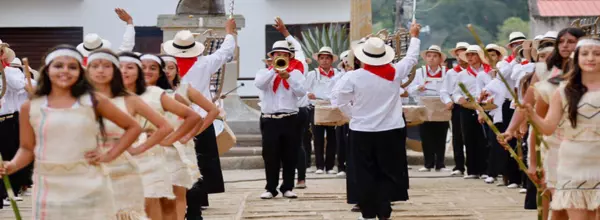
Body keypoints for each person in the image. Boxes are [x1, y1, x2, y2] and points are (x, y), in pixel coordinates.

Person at [0, 45, 142, 219]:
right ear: (47, 69)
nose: (65, 71)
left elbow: (133, 127)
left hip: (88, 180)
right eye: (58, 65)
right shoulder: (30, 106)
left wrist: (109, 155)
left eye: (72, 67)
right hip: (48, 184)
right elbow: (27, 149)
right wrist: (11, 165)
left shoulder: (93, 100)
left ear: (81, 72)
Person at [331, 21, 421, 220]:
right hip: (391, 130)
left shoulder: (353, 77)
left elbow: (338, 99)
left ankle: (368, 213)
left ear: (363, 57)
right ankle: (384, 210)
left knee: (363, 173)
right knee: (388, 171)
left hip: (362, 130)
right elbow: (412, 57)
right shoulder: (396, 72)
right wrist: (414, 36)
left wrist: (352, 114)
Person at [517, 37, 600, 220]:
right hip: (573, 162)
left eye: (597, 54)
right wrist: (532, 115)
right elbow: (547, 127)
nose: (591, 58)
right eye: (585, 54)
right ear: (576, 59)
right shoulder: (563, 91)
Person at [87, 49, 174, 219]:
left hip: (122, 168)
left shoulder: (130, 99)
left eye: (106, 66)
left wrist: (139, 148)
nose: (100, 71)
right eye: (95, 66)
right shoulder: (80, 98)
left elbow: (164, 126)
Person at [162, 19, 236, 217]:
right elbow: (226, 52)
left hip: (182, 122)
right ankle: (199, 200)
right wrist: (230, 32)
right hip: (200, 121)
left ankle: (189, 201)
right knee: (201, 163)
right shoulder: (204, 63)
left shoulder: (166, 66)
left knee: (186, 164)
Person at [135, 53, 200, 220]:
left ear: (159, 73)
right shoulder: (125, 95)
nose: (147, 71)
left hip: (165, 152)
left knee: (171, 198)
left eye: (153, 68)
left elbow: (194, 117)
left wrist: (175, 138)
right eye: (143, 68)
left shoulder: (168, 95)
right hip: (135, 152)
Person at [161, 54, 219, 220]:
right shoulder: (151, 91)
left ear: (177, 70)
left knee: (189, 183)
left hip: (181, 142)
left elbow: (212, 111)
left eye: (171, 67)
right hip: (159, 144)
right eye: (163, 67)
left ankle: (194, 215)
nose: (167, 71)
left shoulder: (185, 89)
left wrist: (193, 133)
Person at [255, 40, 306, 199]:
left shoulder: (296, 74)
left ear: (290, 57)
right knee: (270, 155)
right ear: (272, 57)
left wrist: (288, 77)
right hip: (270, 119)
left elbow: (301, 92)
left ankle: (287, 187)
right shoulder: (264, 73)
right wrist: (273, 71)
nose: (281, 57)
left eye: (284, 55)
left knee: (290, 154)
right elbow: (259, 84)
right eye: (278, 55)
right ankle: (271, 188)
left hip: (290, 118)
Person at [0, 44, 35, 207]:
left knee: (10, 154)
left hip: (8, 119)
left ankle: (10, 191)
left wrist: (6, 69)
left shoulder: (10, 72)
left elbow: (20, 85)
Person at [408, 45, 451, 172]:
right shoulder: (420, 72)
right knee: (426, 136)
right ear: (426, 58)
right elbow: (409, 89)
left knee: (441, 136)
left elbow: (449, 89)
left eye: (435, 56)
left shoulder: (446, 72)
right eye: (429, 56)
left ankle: (440, 164)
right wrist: (417, 88)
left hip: (441, 107)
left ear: (440, 59)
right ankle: (428, 163)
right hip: (424, 106)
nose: (431, 59)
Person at [452, 45, 490, 179]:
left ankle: (486, 169)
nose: (470, 58)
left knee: (484, 138)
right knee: (468, 137)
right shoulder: (461, 74)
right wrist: (459, 99)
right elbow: (455, 92)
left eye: (473, 55)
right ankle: (472, 170)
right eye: (467, 55)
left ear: (479, 56)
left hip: (484, 106)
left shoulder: (487, 72)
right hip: (467, 107)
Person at [306, 46, 341, 175]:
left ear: (332, 60)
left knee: (332, 137)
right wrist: (309, 94)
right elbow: (304, 89)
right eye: (322, 58)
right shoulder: (312, 74)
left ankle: (330, 166)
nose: (324, 61)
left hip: (332, 107)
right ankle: (320, 166)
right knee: (318, 137)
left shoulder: (338, 74)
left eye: (327, 58)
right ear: (318, 60)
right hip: (317, 107)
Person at [441, 42, 469, 176]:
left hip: (473, 104)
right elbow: (444, 90)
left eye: (463, 54)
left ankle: (476, 165)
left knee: (473, 137)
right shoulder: (452, 73)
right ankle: (459, 165)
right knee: (457, 135)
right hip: (457, 105)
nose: (460, 57)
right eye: (458, 55)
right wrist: (448, 101)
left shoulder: (476, 71)